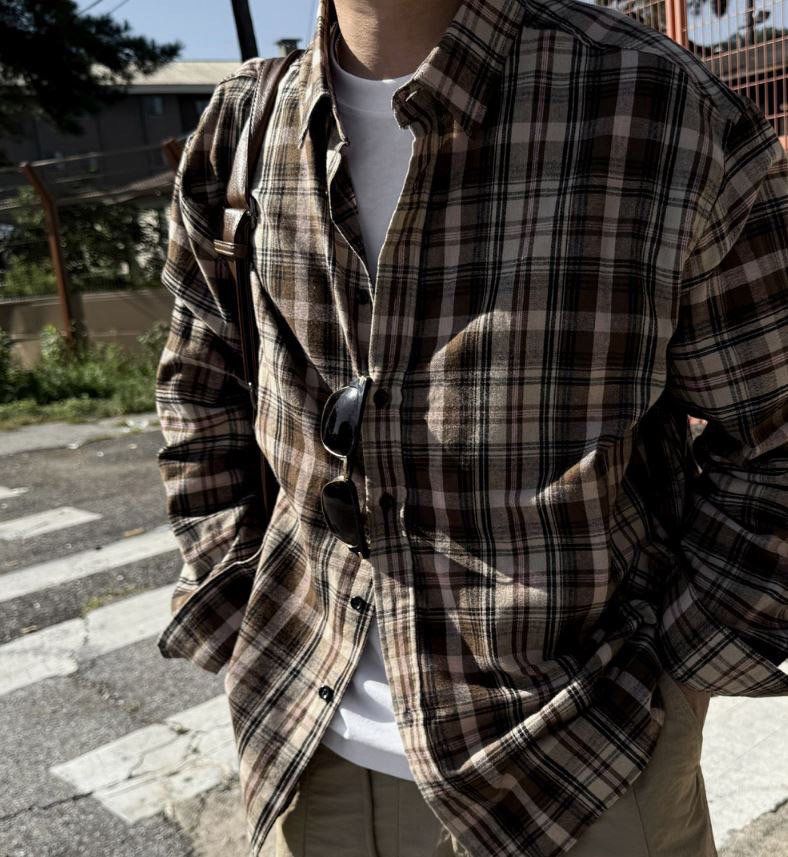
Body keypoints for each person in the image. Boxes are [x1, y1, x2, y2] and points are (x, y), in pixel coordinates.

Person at [154, 0, 788, 855]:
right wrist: (233, 599)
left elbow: (775, 433)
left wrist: (684, 667)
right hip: (312, 753)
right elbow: (202, 392)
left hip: (587, 761)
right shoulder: (242, 128)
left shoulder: (657, 109)